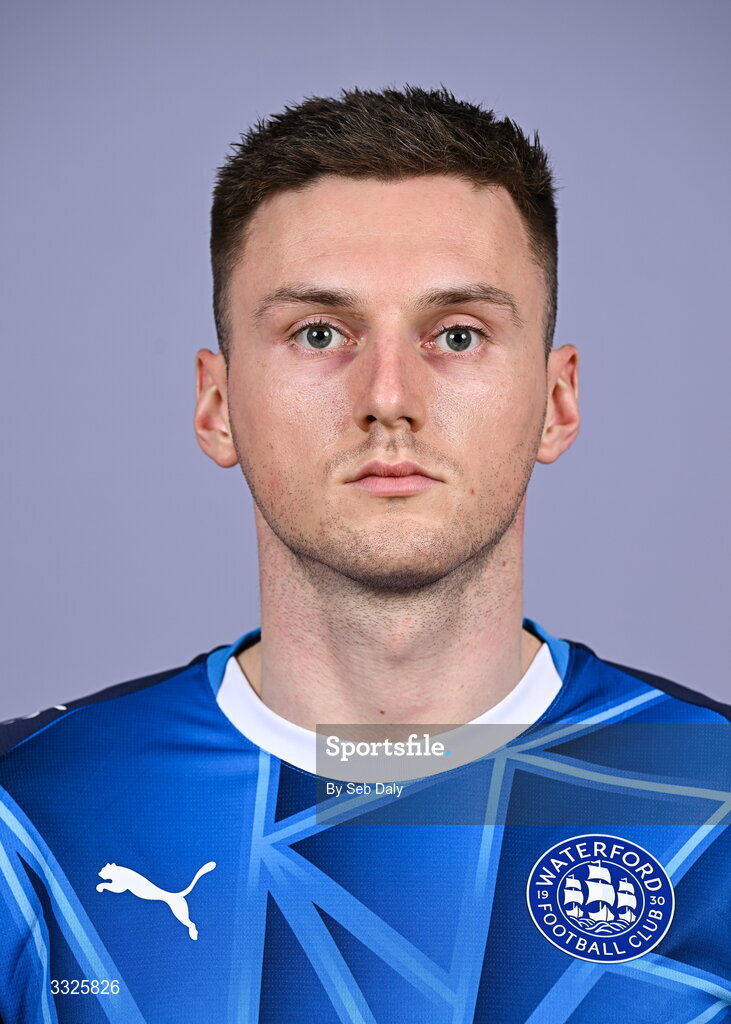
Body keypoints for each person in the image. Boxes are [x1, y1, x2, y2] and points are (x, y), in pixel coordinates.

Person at [0, 85, 728, 1024]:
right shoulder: (29, 818)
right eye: (318, 333)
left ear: (556, 401)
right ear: (216, 405)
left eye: (457, 335)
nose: (389, 396)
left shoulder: (708, 799)